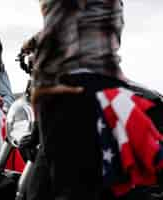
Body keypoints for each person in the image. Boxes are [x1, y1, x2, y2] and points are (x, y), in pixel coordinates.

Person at [27, 0, 128, 200]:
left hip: (69, 90)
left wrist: (40, 89)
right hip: (107, 87)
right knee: (92, 183)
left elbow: (56, 33)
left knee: (62, 186)